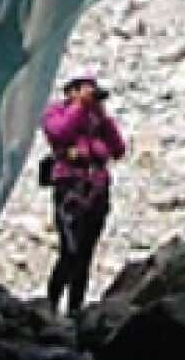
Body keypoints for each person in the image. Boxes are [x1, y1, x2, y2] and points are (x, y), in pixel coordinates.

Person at [42, 76, 126, 316]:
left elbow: (118, 149)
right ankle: (51, 303)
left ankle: (75, 310)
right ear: (72, 92)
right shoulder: (56, 113)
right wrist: (79, 107)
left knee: (86, 254)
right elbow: (59, 133)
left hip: (96, 191)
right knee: (70, 250)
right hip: (70, 189)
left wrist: (102, 116)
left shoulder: (98, 120)